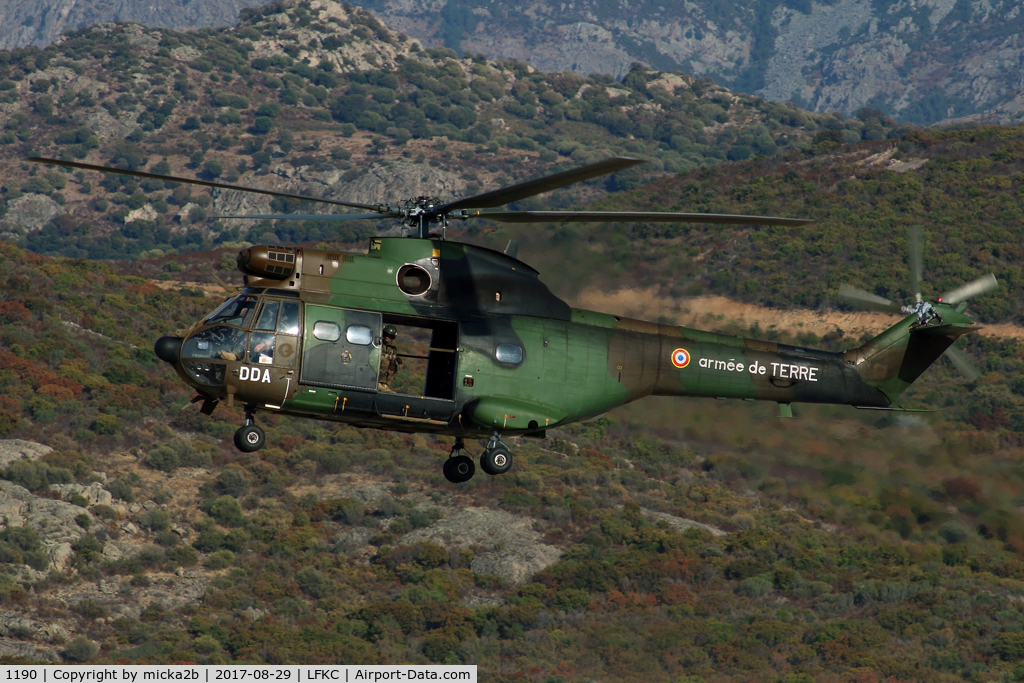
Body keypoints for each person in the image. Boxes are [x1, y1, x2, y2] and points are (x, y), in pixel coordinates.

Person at [378, 325, 403, 392]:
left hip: (386, 361)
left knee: (395, 365)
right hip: (377, 361)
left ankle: (386, 384)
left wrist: (397, 361)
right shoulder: (379, 342)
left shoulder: (392, 346)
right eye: (387, 335)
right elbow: (378, 354)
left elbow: (394, 355)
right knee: (385, 361)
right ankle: (380, 382)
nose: (388, 338)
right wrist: (390, 357)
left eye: (390, 337)